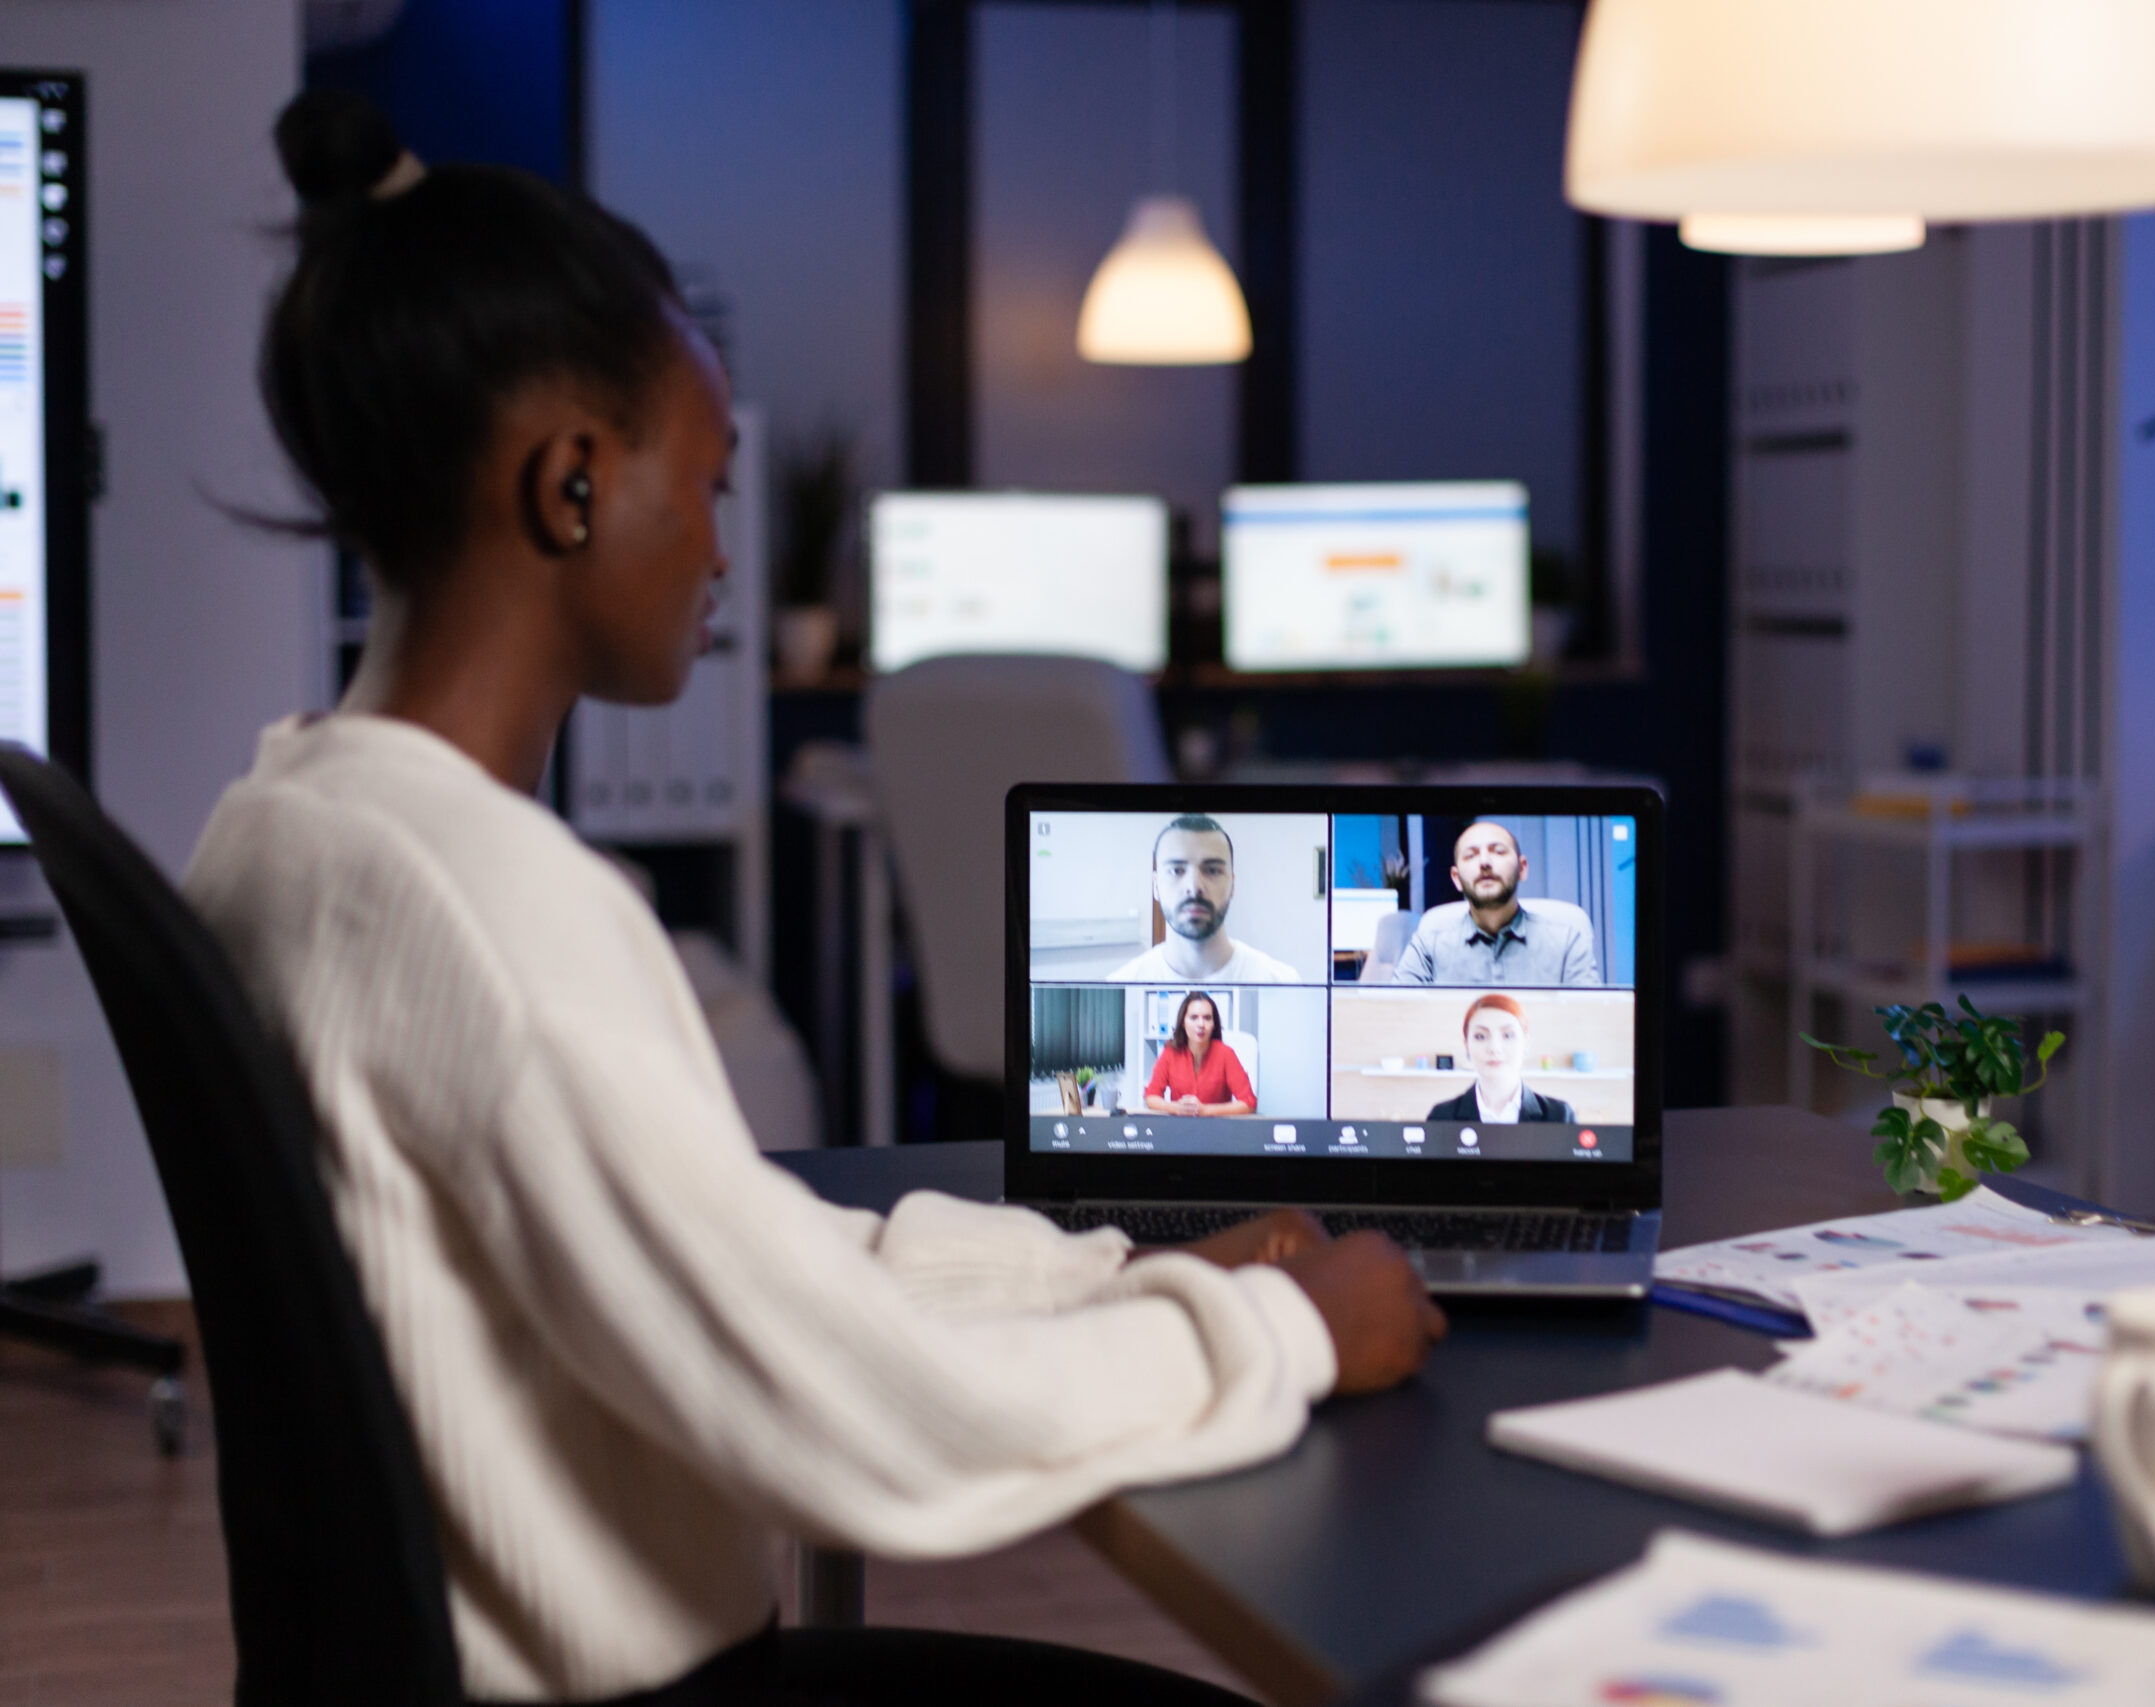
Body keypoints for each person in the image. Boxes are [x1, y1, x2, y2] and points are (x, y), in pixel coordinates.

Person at [183, 91, 1443, 1707]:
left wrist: (1124, 1266)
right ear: (571, 482)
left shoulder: (290, 824)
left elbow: (743, 1252)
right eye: (706, 483)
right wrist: (1290, 1338)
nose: (724, 551)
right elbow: (857, 1418)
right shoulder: (497, 909)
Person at [1392, 820, 1601, 986]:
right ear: (1456, 878)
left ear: (1523, 868)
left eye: (1498, 851)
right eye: (1471, 855)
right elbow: (1396, 1013)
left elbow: (1590, 1020)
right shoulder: (1430, 941)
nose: (1484, 863)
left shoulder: (1566, 940)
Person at [1108, 814, 1306, 983]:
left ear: (1233, 885)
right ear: (1156, 886)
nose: (1194, 887)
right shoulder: (1122, 983)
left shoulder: (1282, 981)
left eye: (1212, 870)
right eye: (1176, 870)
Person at [1426, 994, 1577, 1124]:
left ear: (1526, 1043)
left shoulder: (1559, 1116)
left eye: (1508, 1035)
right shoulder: (1441, 1116)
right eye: (1480, 1036)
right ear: (1467, 1045)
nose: (1494, 1048)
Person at [1143, 991, 1257, 1116]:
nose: (1201, 1024)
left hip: (1217, 1129)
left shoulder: (1226, 1054)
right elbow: (1151, 1096)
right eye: (1193, 1018)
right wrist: (1175, 1108)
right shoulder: (1170, 1052)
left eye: (1207, 1018)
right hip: (1180, 1128)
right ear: (1183, 1022)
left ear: (1214, 1024)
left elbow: (1249, 1103)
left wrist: (1205, 1110)